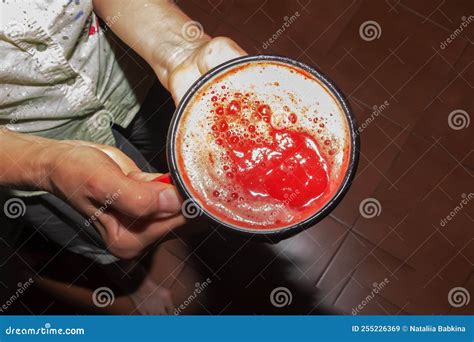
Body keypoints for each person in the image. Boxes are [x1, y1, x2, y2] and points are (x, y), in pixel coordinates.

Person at [0, 0, 246, 314]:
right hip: (30, 145)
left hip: (134, 80)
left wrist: (180, 52)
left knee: (181, 197)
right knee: (102, 234)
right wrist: (47, 166)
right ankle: (132, 279)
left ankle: (167, 248)